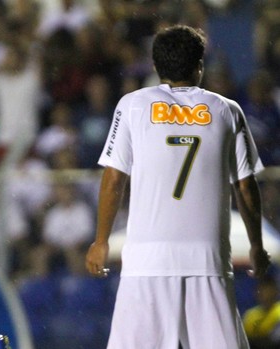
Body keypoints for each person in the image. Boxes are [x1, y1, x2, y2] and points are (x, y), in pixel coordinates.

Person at [84, 25, 272, 349]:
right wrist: (255, 244)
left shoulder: (132, 105)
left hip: (147, 261)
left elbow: (114, 179)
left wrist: (101, 240)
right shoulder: (227, 110)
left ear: (156, 67)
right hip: (208, 260)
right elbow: (245, 186)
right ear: (200, 65)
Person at [243, 274, 280, 349]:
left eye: (268, 290)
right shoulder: (250, 315)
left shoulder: (278, 311)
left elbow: (274, 340)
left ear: (275, 291)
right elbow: (244, 340)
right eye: (261, 290)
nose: (264, 294)